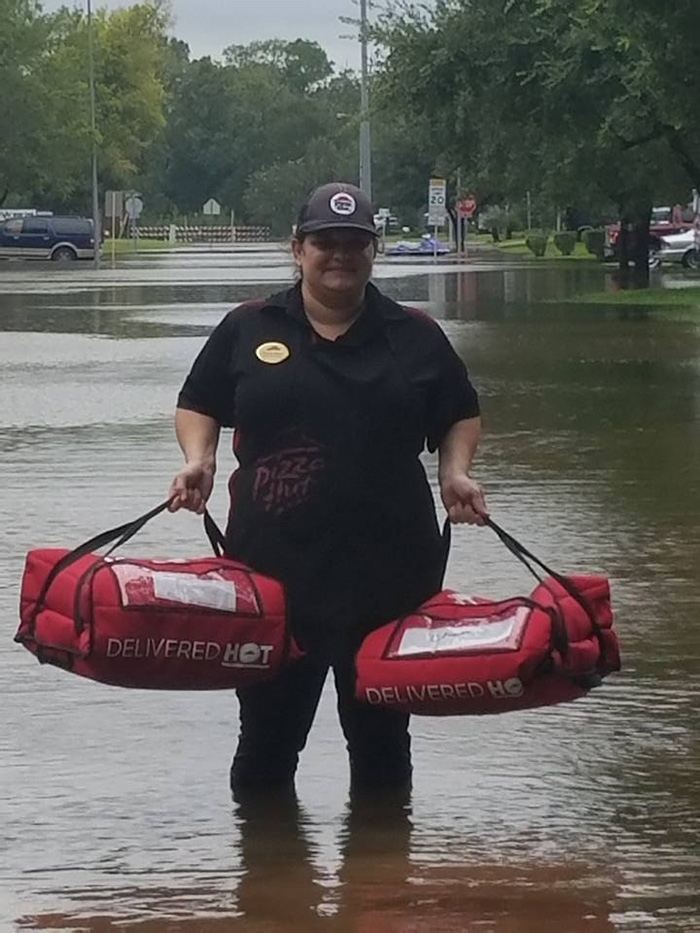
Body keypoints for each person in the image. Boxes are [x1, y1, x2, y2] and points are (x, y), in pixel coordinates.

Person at [169, 182, 487, 797]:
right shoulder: (247, 326)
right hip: (272, 580)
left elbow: (459, 413)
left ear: (375, 251)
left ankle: (381, 888)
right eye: (325, 242)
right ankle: (268, 886)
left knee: (381, 750)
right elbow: (198, 402)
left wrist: (455, 472)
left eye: (356, 243)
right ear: (298, 248)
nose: (340, 255)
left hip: (389, 578)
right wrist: (198, 460)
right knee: (265, 747)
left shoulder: (414, 334)